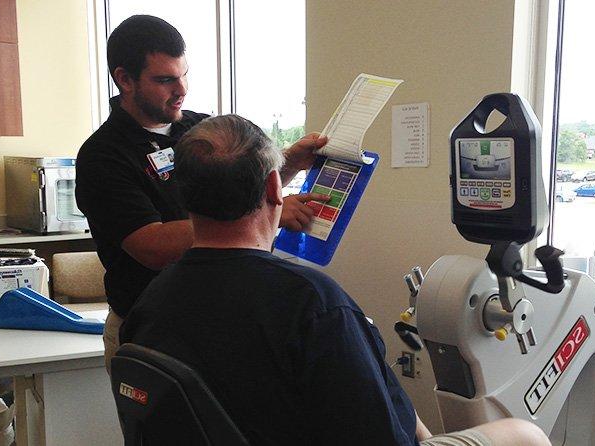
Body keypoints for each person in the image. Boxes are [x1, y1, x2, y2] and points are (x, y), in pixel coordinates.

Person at [119, 114, 551, 446]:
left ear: (185, 196)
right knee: (523, 434)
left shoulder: (151, 302)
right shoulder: (312, 303)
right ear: (275, 188)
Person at [75, 15, 328, 370]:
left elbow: (244, 185)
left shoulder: (201, 129)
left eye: (183, 74)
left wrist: (289, 164)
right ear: (124, 80)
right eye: (164, 79)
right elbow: (151, 245)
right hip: (148, 329)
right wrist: (262, 215)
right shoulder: (103, 156)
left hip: (220, 320)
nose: (181, 89)